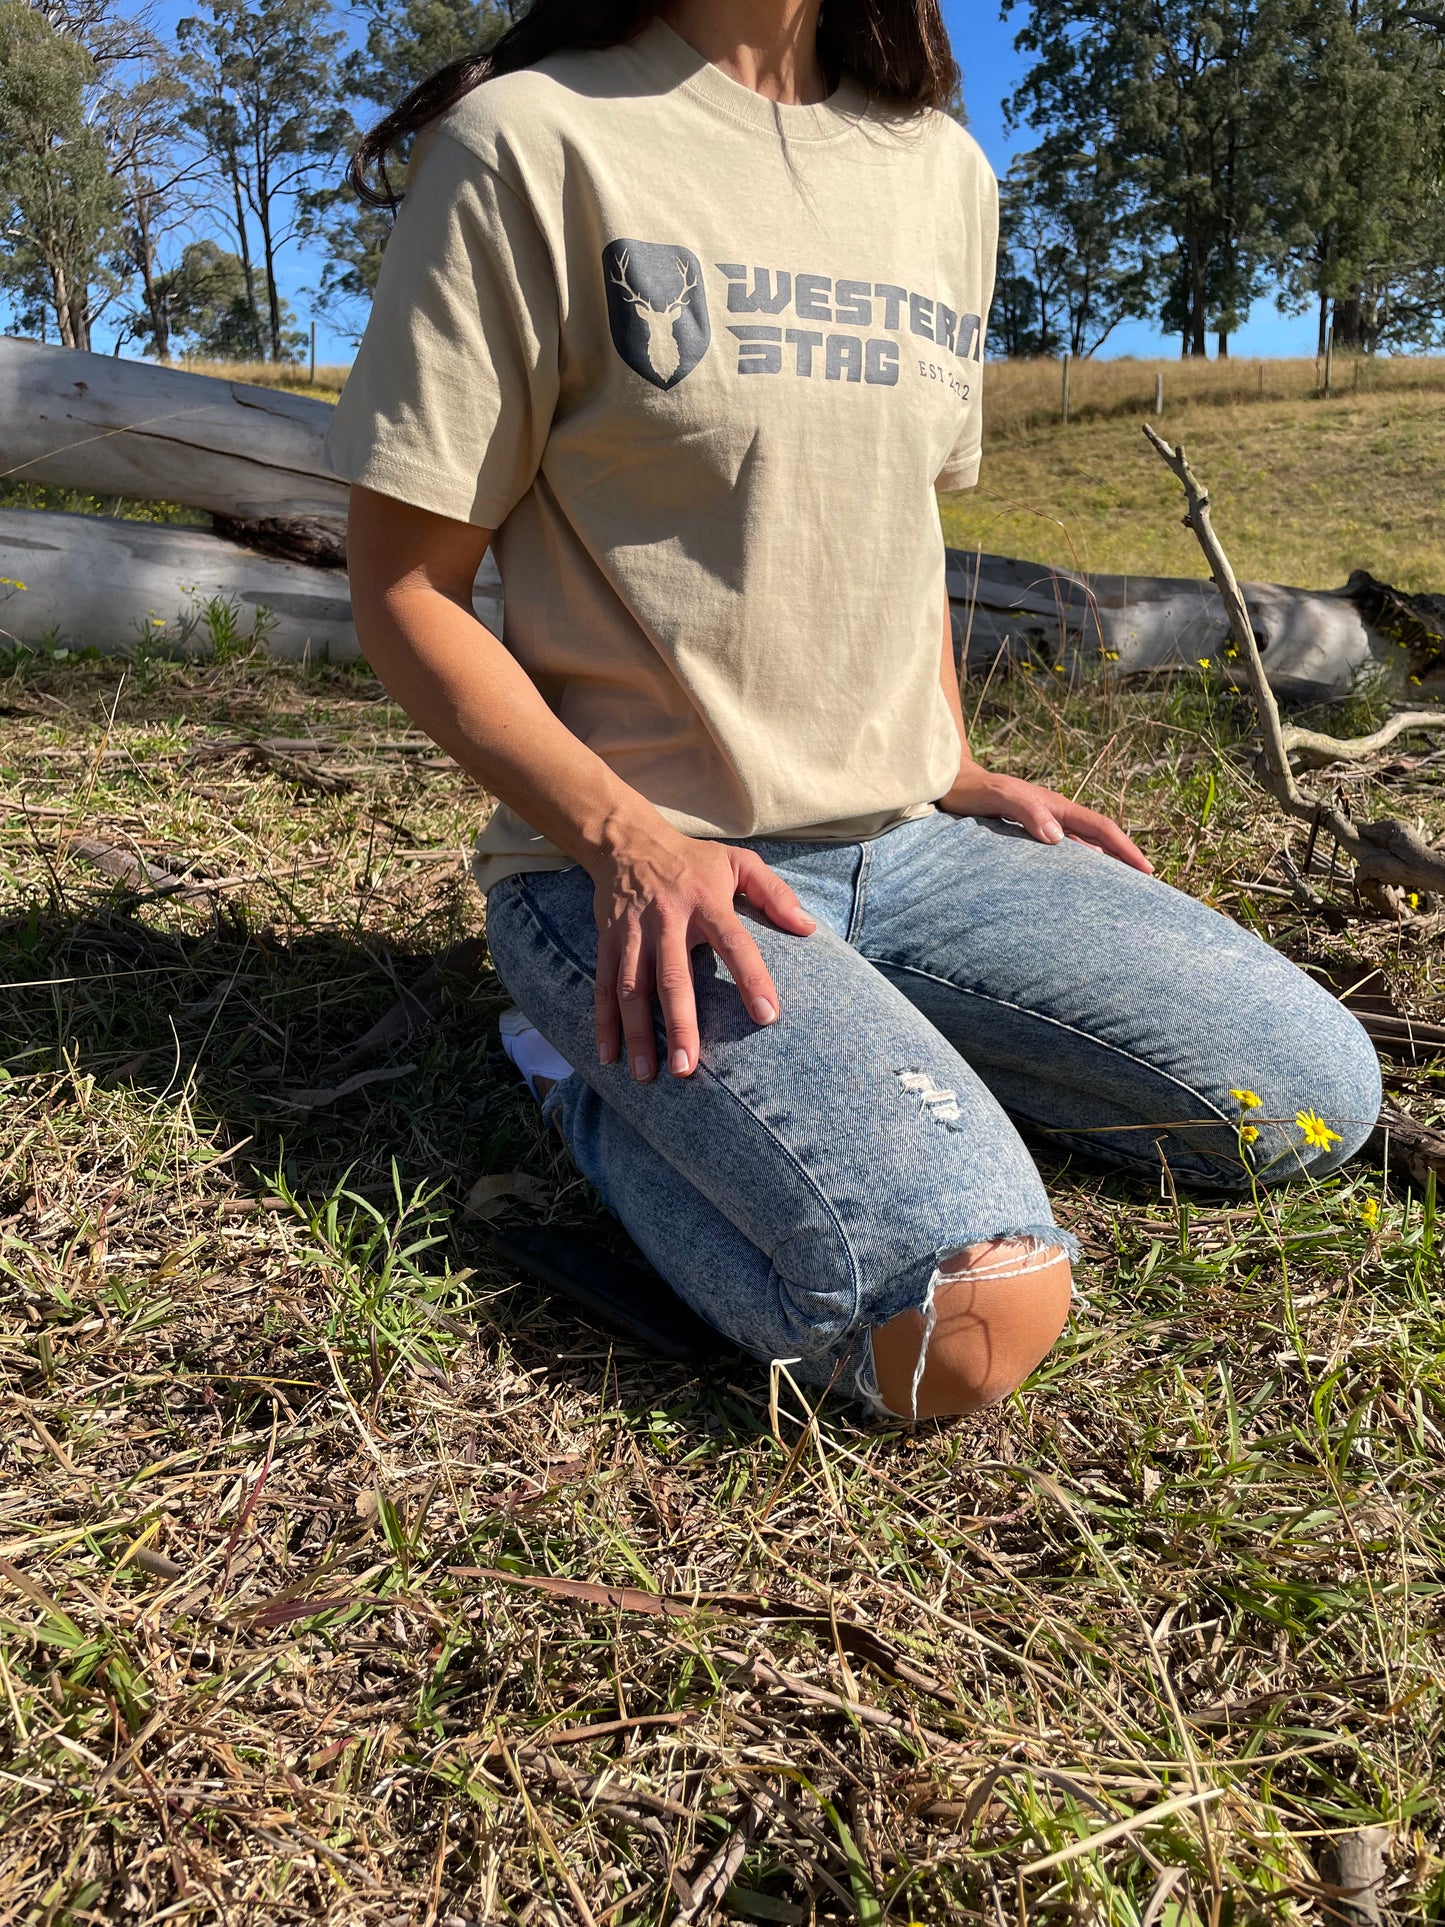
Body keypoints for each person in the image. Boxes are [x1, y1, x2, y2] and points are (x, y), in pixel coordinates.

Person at [327, 0, 1381, 1422]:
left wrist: (951, 761)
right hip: (640, 869)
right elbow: (406, 588)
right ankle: (574, 1075)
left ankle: (856, 1058)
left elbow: (894, 529)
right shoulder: (533, 141)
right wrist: (625, 838)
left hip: (914, 844)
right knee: (955, 1325)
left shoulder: (941, 170)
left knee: (1304, 1107)